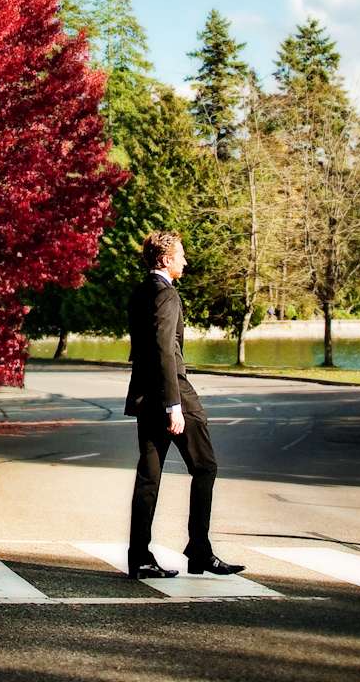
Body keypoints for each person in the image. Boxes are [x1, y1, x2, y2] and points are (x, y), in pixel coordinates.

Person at [123, 231, 242, 578]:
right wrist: (174, 405)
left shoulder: (141, 292)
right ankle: (199, 550)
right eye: (181, 256)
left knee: (148, 478)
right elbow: (164, 350)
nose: (185, 261)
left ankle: (140, 557)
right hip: (172, 395)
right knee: (205, 467)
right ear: (165, 260)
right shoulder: (166, 295)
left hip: (145, 396)